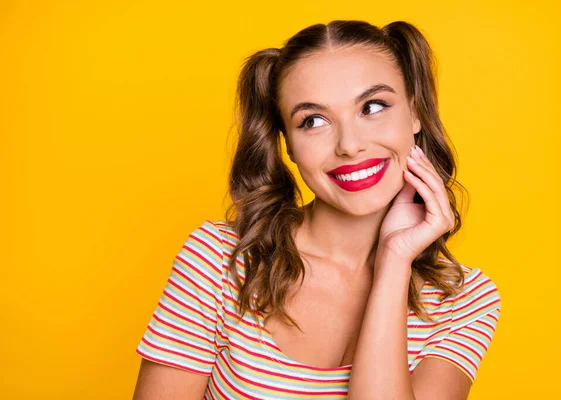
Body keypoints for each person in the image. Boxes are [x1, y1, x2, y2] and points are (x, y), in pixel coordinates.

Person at [132, 20, 501, 400]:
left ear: (415, 113)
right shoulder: (219, 260)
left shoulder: (464, 301)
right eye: (313, 121)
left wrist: (393, 262)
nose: (349, 145)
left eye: (373, 107)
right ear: (288, 144)